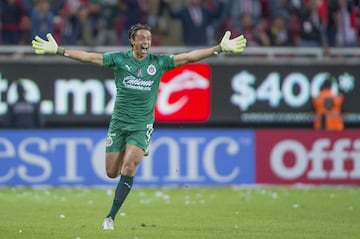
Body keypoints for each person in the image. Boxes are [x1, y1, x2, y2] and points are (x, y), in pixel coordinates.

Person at [31, 23, 246, 230]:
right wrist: (59, 50)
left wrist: (218, 49)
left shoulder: (158, 62)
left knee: (129, 167)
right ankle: (133, 149)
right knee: (111, 172)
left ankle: (110, 217)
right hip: (119, 123)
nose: (146, 42)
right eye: (142, 38)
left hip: (141, 125)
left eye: (149, 38)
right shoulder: (119, 60)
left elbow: (188, 57)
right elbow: (89, 57)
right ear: (132, 41)